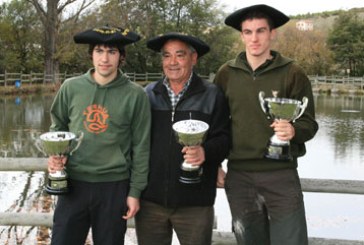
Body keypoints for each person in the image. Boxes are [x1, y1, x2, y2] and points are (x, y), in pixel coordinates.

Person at [214, 4, 319, 245]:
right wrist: (215, 164)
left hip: (281, 174)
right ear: (241, 35)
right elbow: (217, 125)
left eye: (261, 31)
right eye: (248, 32)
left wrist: (293, 130)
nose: (254, 38)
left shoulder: (293, 72)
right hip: (239, 176)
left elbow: (309, 123)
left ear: (272, 33)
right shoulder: (226, 73)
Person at [47, 25, 151, 245]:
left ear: (121, 57)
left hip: (114, 186)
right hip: (73, 184)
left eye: (112, 52)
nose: (105, 58)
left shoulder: (135, 95)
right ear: (91, 54)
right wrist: (55, 155)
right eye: (99, 51)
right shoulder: (70, 87)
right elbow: (58, 127)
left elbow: (141, 146)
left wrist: (135, 192)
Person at [135, 32, 230, 245]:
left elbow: (224, 139)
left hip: (195, 204)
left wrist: (205, 152)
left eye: (180, 55)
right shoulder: (148, 94)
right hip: (151, 203)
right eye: (166, 56)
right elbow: (136, 142)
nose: (172, 62)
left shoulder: (212, 94)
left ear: (193, 58)